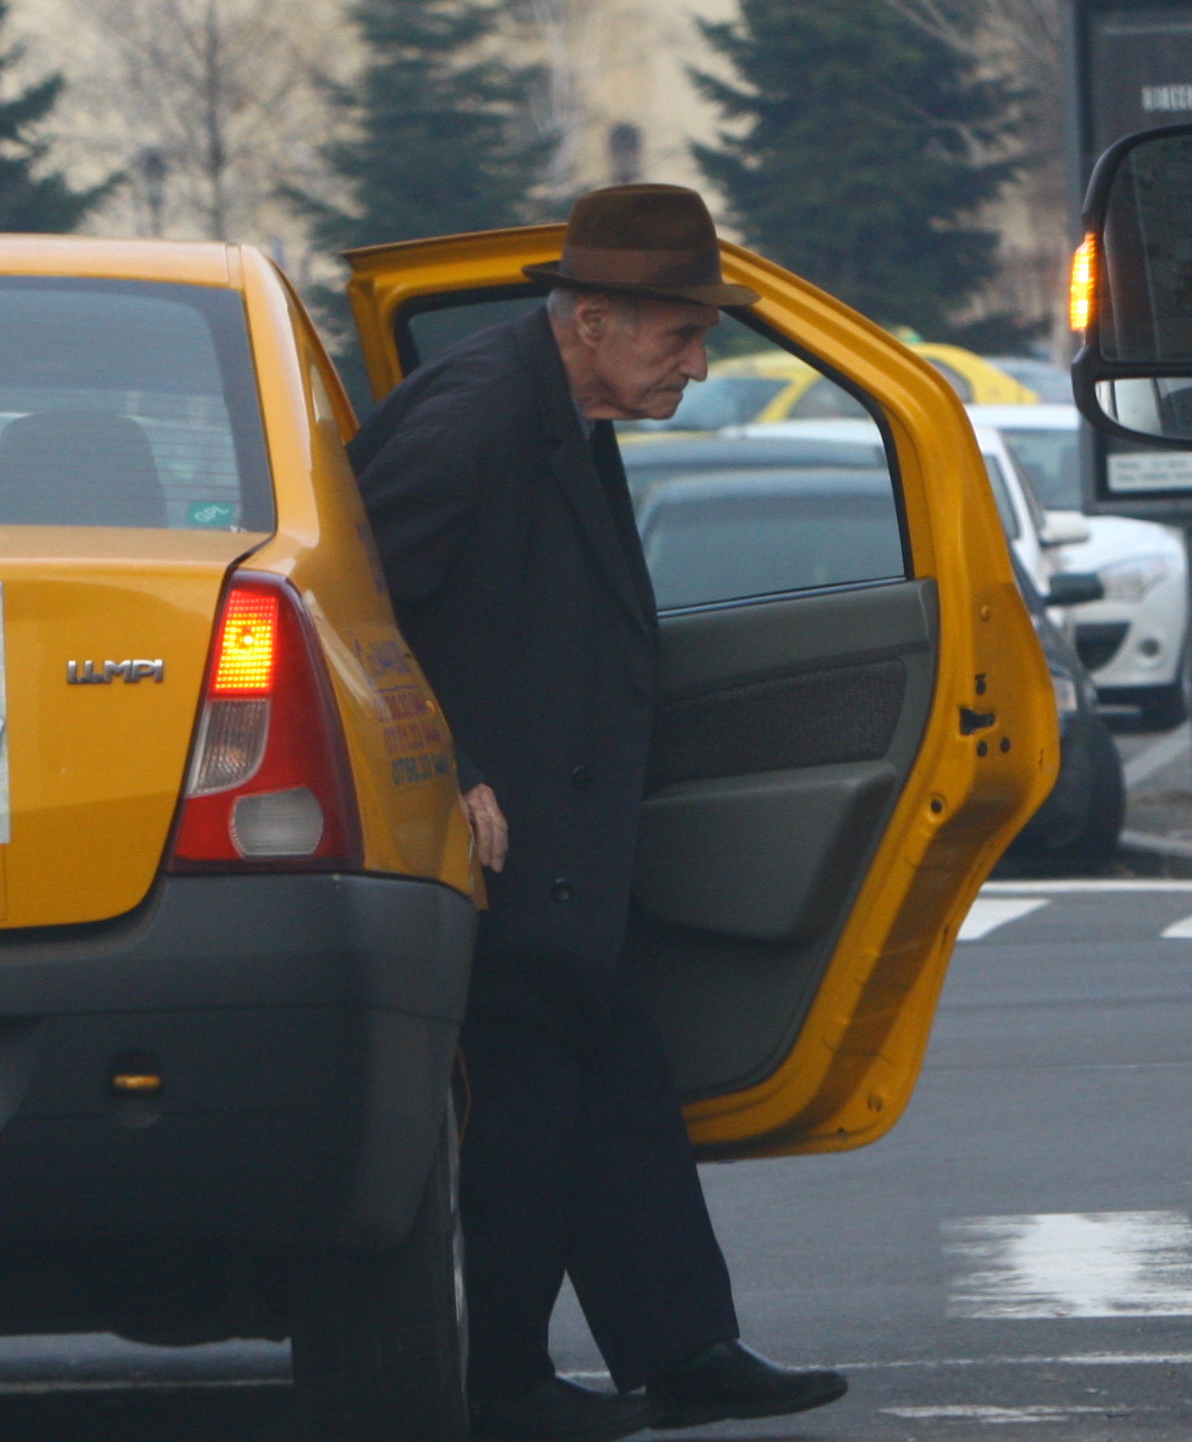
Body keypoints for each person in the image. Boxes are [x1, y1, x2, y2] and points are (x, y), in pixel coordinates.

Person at [350, 184, 850, 1441]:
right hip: (492, 836)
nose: (699, 358)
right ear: (593, 323)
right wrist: (447, 765)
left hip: (561, 841)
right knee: (525, 1107)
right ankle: (504, 1376)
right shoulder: (471, 418)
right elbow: (359, 614)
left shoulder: (555, 406)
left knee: (617, 1081)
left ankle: (682, 1348)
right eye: (680, 334)